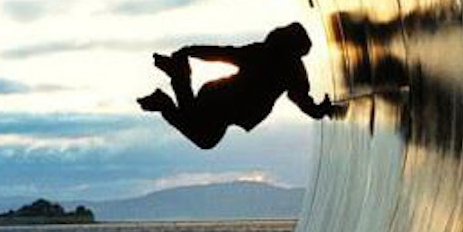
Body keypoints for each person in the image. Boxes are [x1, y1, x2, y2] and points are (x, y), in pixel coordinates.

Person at [137, 22, 332, 150]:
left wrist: (190, 50)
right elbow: (300, 98)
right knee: (204, 137)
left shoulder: (261, 52)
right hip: (225, 104)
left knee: (198, 128)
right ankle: (171, 86)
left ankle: (177, 74)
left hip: (218, 96)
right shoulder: (292, 68)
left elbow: (223, 53)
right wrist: (319, 110)